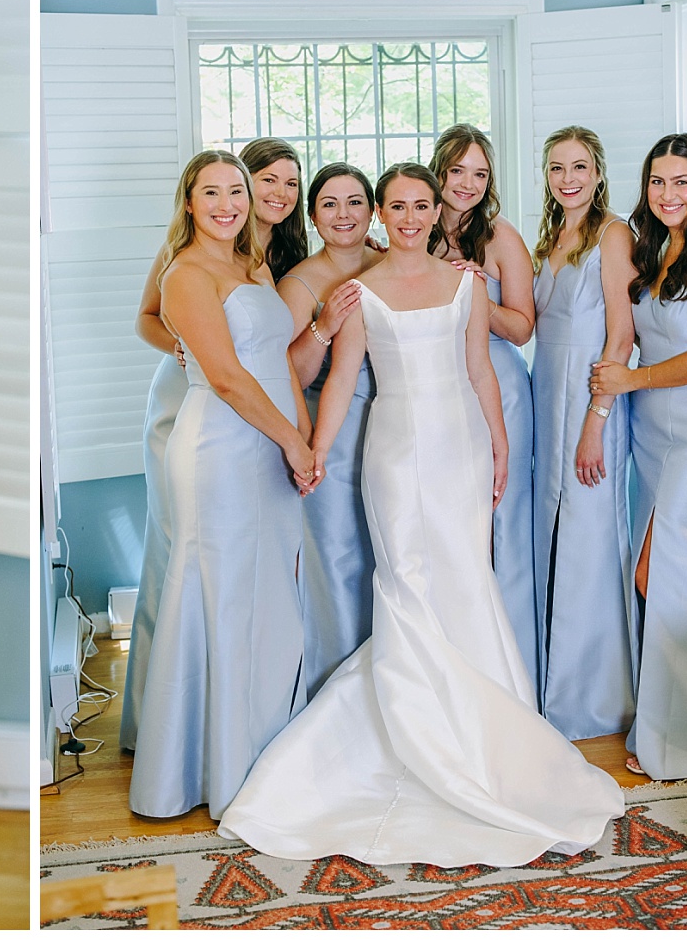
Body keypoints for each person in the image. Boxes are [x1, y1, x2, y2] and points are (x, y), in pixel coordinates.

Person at [219, 163, 623, 868]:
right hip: (396, 452)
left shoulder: (467, 283)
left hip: (462, 448)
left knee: (465, 577)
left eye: (420, 206)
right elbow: (341, 378)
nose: (408, 217)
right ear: (382, 211)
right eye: (396, 206)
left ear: (438, 212)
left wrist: (498, 446)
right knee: (405, 581)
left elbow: (480, 370)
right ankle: (412, 737)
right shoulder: (358, 291)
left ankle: (482, 738)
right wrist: (312, 450)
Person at [128, 150, 313, 822]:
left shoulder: (253, 265)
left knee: (266, 594)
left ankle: (259, 746)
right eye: (212, 192)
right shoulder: (186, 274)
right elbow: (230, 378)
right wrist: (290, 438)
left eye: (236, 189)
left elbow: (278, 356)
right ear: (189, 202)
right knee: (218, 593)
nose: (228, 202)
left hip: (267, 443)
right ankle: (205, 767)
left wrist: (304, 431)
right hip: (220, 446)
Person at [590, 133, 687, 780]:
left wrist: (630, 381)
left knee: (674, 569)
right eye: (657, 181)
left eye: (680, 182)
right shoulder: (646, 246)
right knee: (681, 570)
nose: (667, 194)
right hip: (654, 428)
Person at [529, 127, 637, 741]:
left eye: (578, 167)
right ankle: (553, 685)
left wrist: (595, 423)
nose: (567, 179)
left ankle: (592, 700)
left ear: (598, 173)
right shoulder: (550, 236)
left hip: (591, 399)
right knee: (552, 535)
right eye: (555, 169)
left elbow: (620, 336)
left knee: (590, 540)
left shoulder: (612, 234)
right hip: (548, 392)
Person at [428, 124, 539, 693]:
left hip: (500, 388)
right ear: (438, 171)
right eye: (457, 171)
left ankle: (512, 679)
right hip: (438, 395)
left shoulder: (501, 238)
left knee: (502, 526)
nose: (468, 184)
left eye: (480, 174)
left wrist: (475, 291)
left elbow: (522, 327)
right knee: (450, 528)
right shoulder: (412, 230)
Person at [275, 162, 383, 700]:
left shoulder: (392, 263)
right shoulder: (300, 282)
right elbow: (289, 373)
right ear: (314, 216)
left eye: (355, 201)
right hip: (331, 433)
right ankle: (337, 696)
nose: (344, 215)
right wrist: (325, 325)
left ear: (373, 210)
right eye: (331, 204)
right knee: (339, 558)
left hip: (392, 426)